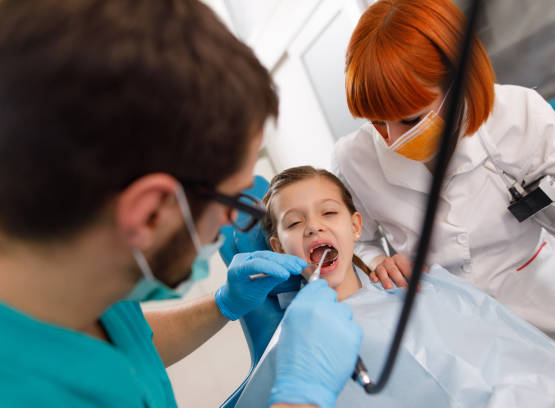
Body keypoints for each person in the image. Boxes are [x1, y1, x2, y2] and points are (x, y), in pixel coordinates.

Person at [0, 1, 362, 407]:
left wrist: (223, 304)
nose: (232, 223)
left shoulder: (82, 289)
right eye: (230, 201)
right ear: (151, 211)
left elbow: (130, 348)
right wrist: (301, 396)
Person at [334, 0, 555, 383]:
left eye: (410, 119)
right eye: (377, 122)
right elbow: (355, 240)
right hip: (458, 340)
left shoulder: (518, 116)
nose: (392, 139)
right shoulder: (354, 159)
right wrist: (376, 262)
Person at [232, 165, 555, 407]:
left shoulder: (420, 289)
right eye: (295, 223)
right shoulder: (295, 346)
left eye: (329, 212)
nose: (314, 226)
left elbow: (526, 360)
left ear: (355, 226)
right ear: (279, 248)